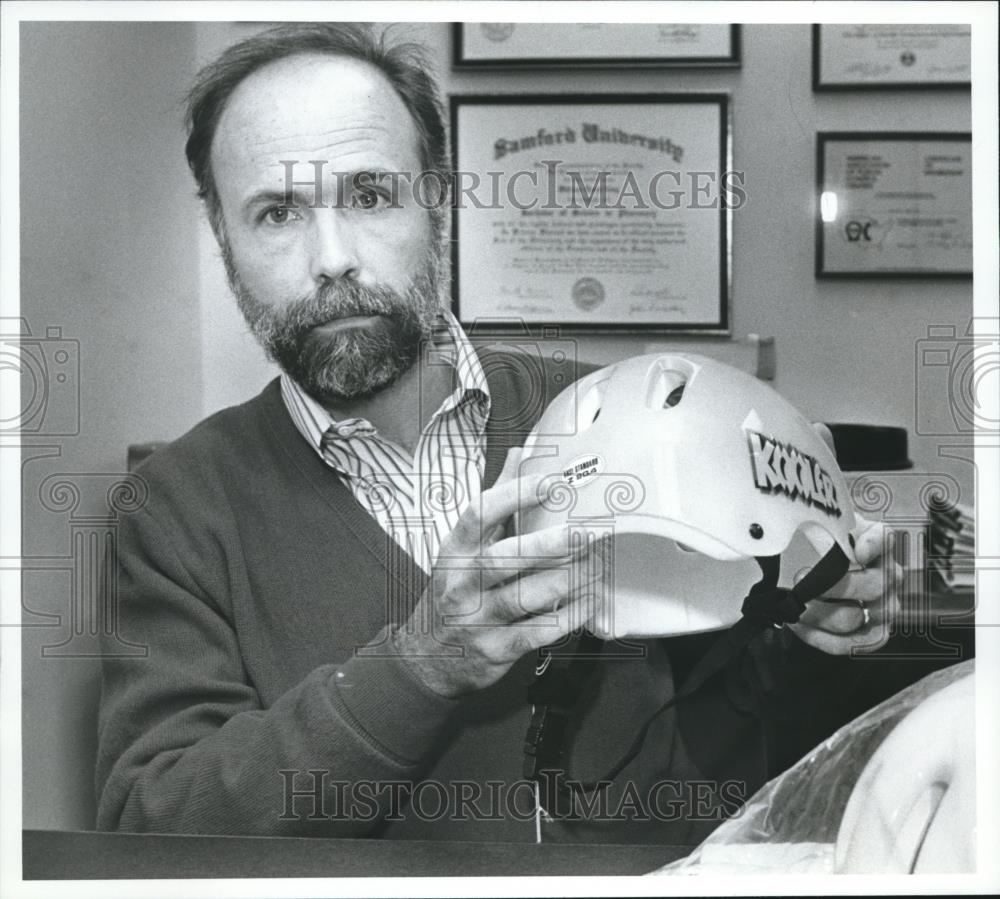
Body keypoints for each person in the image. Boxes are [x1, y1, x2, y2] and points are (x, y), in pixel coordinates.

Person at [95, 22, 900, 844]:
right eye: (276, 212)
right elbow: (154, 822)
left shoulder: (615, 418)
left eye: (370, 195)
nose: (332, 257)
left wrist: (819, 629)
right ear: (224, 236)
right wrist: (417, 666)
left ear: (437, 199)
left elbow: (740, 719)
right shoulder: (174, 509)